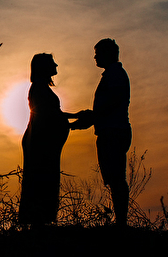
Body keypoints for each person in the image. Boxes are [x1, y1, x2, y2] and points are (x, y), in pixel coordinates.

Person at [72, 38, 131, 227]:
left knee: (117, 179)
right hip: (110, 130)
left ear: (108, 54)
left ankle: (121, 223)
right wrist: (89, 118)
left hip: (113, 131)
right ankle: (120, 221)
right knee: (115, 179)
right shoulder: (112, 74)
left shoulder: (115, 75)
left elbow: (111, 104)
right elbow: (106, 107)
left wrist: (91, 117)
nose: (95, 58)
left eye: (98, 54)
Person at [19, 53, 82, 226]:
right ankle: (38, 221)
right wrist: (75, 117)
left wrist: (75, 117)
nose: (56, 65)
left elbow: (54, 114)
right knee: (41, 179)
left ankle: (40, 220)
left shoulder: (41, 88)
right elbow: (49, 115)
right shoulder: (39, 88)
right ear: (43, 67)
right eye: (52, 63)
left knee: (42, 178)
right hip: (40, 143)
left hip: (42, 141)